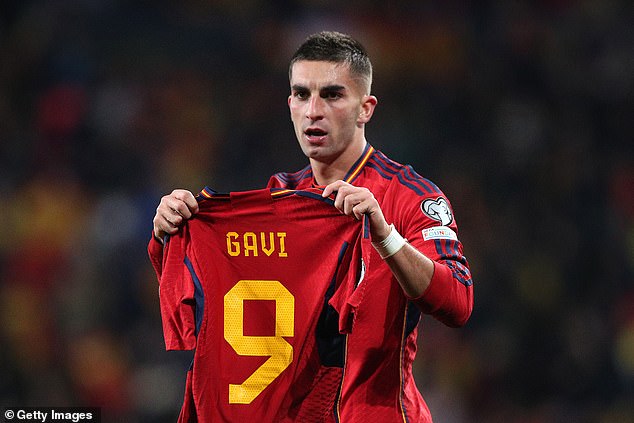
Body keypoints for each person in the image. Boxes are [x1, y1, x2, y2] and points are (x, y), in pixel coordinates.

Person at [149, 31, 473, 422]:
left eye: (332, 95)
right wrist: (172, 230)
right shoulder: (280, 196)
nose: (313, 110)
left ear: (365, 108)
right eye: (302, 94)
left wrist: (385, 236)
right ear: (289, 104)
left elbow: (458, 302)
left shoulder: (411, 197)